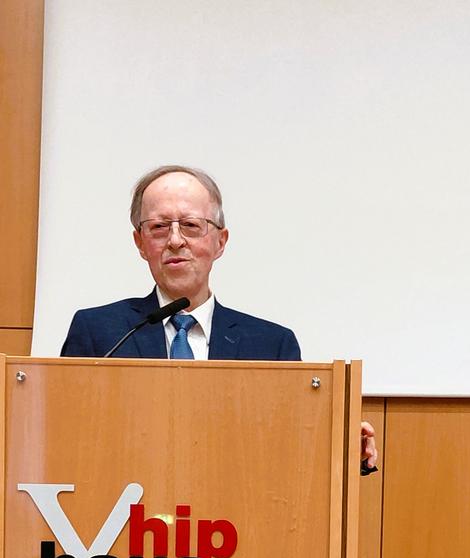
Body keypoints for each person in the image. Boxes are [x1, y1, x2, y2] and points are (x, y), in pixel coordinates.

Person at [60, 164, 377, 470]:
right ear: (140, 243)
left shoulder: (271, 346)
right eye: (159, 227)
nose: (175, 240)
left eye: (190, 225)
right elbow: (64, 435)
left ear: (220, 242)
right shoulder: (101, 333)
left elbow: (292, 445)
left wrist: (345, 450)